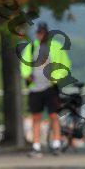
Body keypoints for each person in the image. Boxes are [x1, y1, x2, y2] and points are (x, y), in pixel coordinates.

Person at [20, 21, 71, 157]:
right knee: (36, 117)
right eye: (39, 33)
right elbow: (24, 65)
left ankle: (56, 144)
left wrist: (56, 77)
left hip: (50, 87)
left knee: (54, 116)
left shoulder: (56, 46)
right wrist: (27, 76)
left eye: (43, 33)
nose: (40, 35)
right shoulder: (31, 47)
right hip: (35, 88)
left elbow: (65, 64)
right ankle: (36, 146)